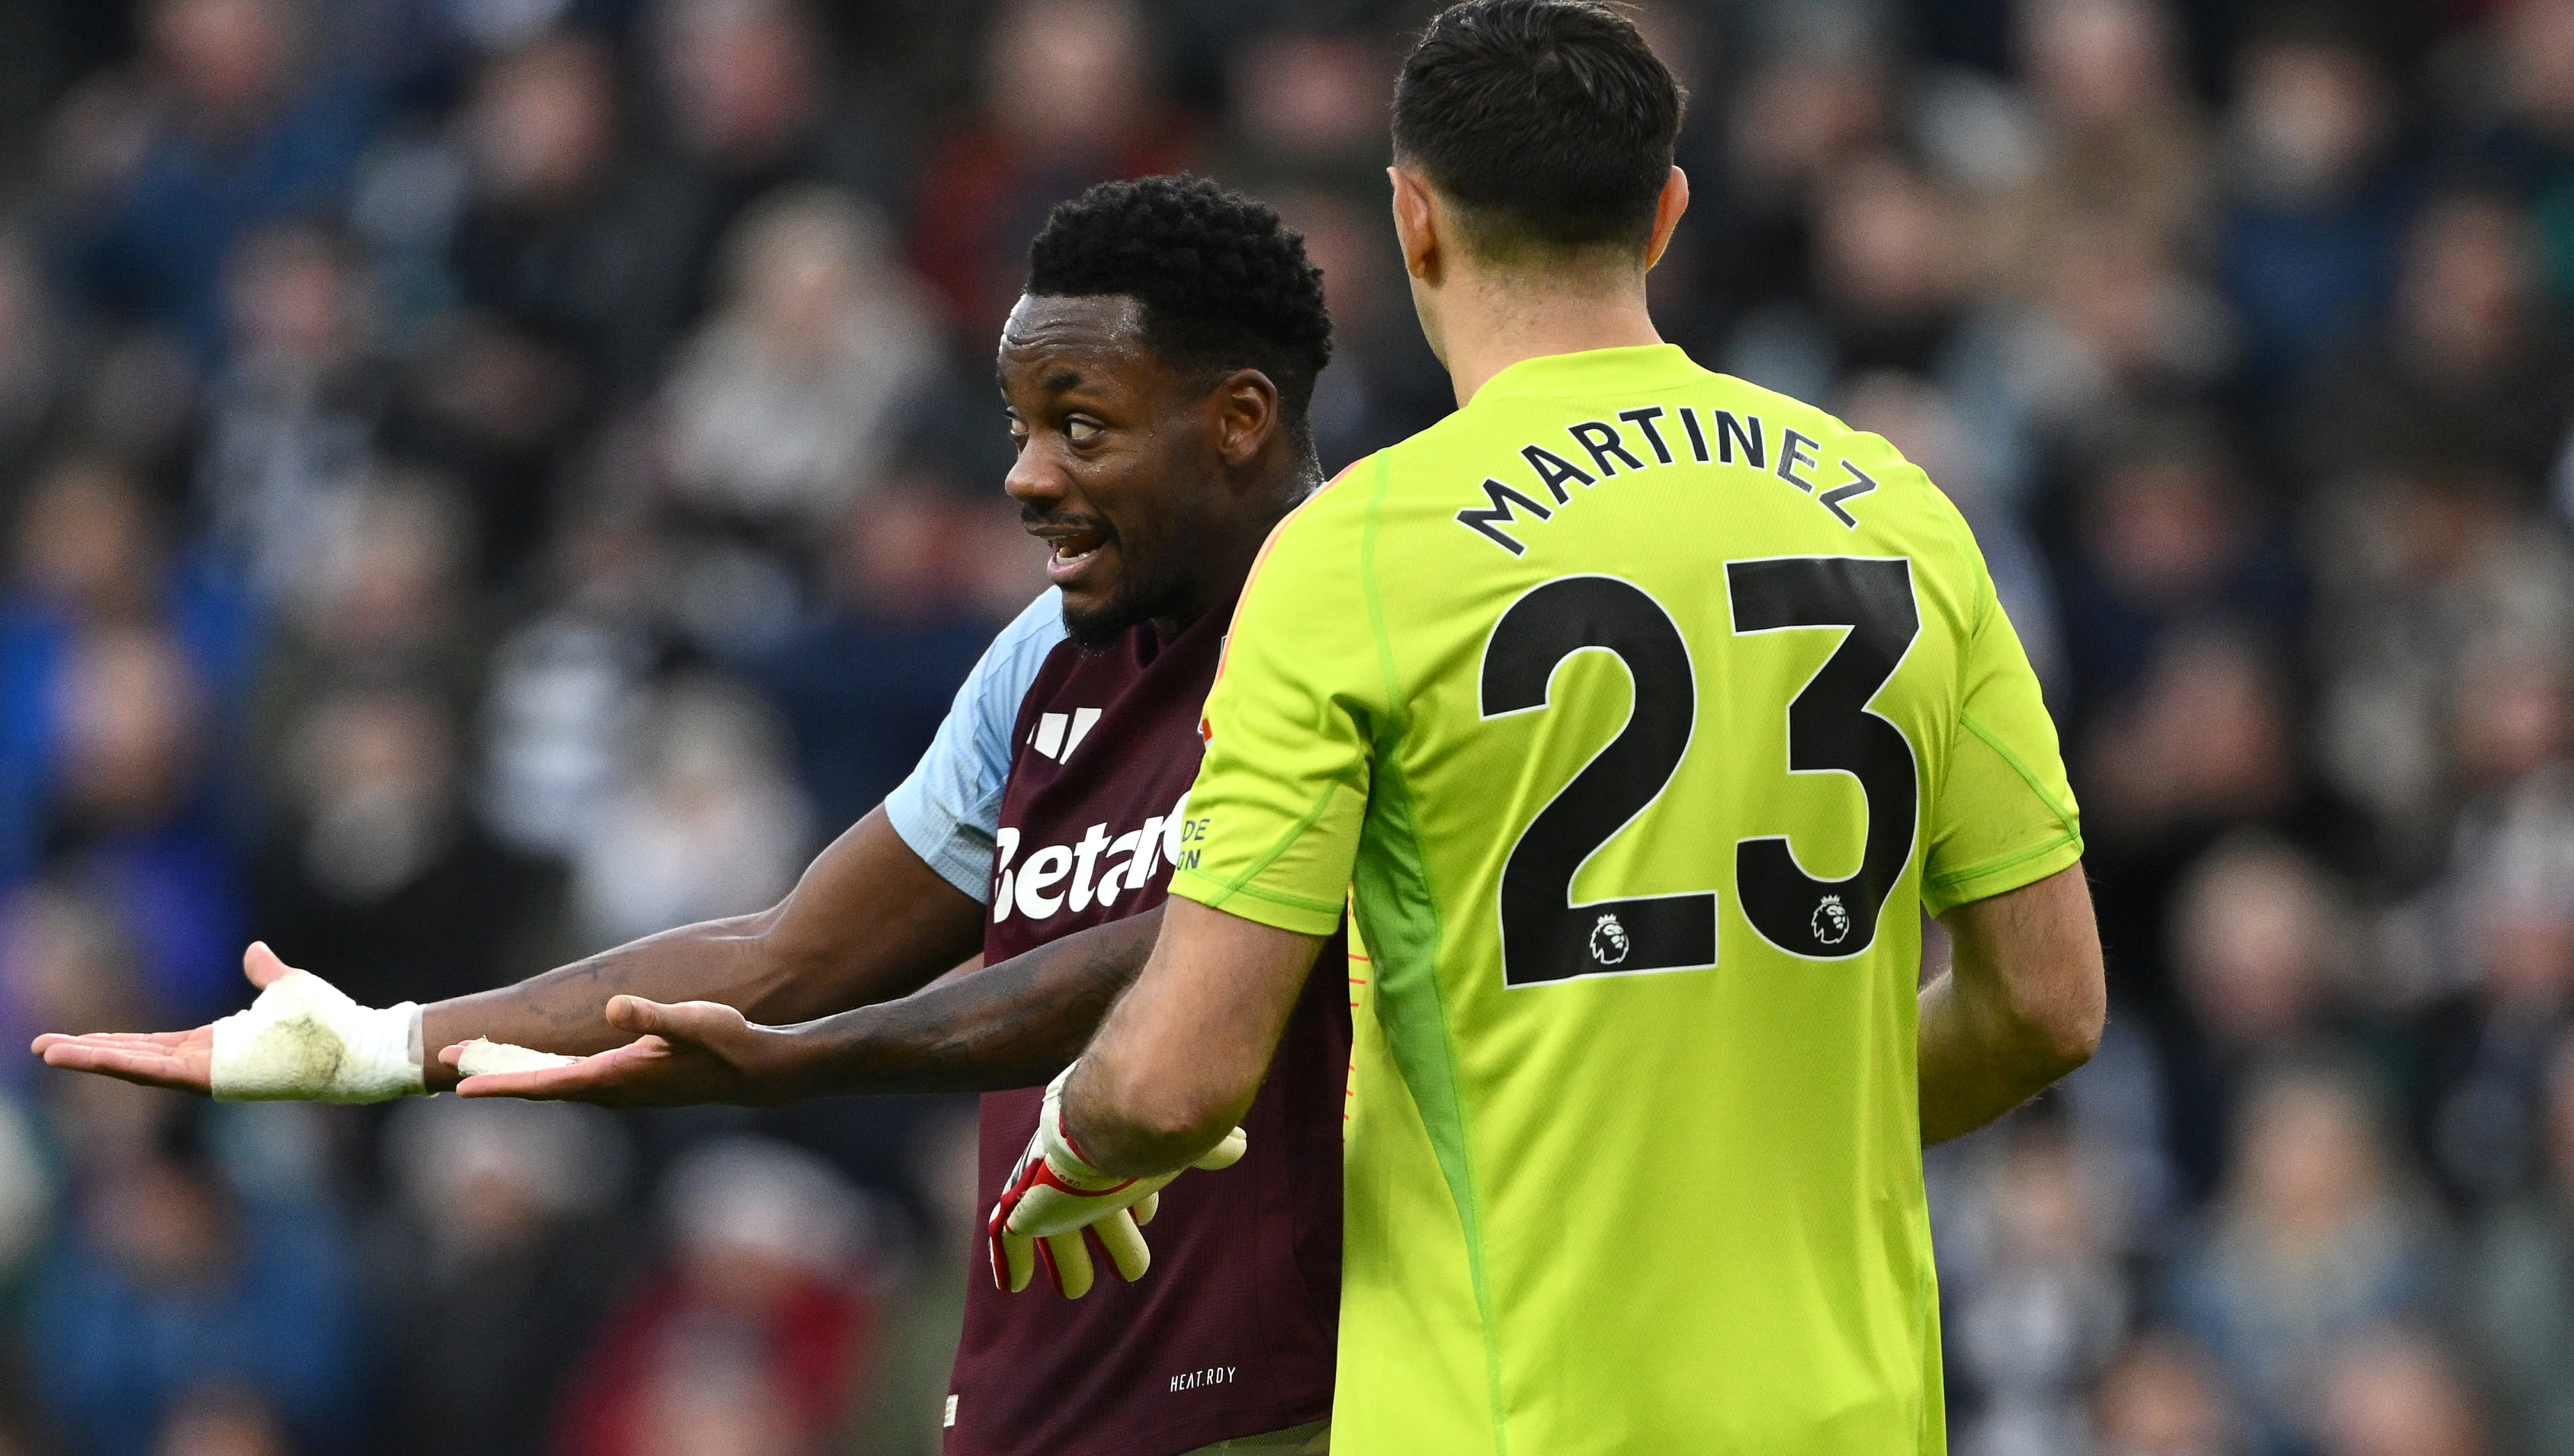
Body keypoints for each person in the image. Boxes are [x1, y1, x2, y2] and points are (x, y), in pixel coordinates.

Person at [36, 175, 1345, 1456]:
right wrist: (390, 1042)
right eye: (1019, 426)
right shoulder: (1041, 658)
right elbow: (783, 958)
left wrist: (826, 1059)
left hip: (1314, 1386)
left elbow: (1193, 953)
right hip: (1053, 1397)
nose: (1025, 477)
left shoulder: (1372, 624)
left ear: (1236, 419)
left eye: (1082, 427)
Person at [1001, 3, 2107, 1451]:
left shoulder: (1360, 554)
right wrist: (1761, 1131)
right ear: (1665, 215)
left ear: (1412, 223)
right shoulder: (1894, 507)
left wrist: (1079, 1140)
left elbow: (1184, 1070)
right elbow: (2048, 1002)